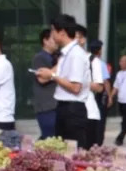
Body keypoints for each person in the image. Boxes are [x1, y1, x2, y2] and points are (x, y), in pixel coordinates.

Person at [36, 14, 90, 147]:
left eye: (53, 30)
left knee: (73, 151)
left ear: (62, 32)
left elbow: (75, 87)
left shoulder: (76, 54)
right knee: (62, 150)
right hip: (63, 107)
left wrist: (52, 76)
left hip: (73, 109)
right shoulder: (65, 53)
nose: (52, 34)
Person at [32, 29, 59, 139]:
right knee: (49, 138)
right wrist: (61, 63)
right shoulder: (40, 57)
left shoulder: (55, 57)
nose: (56, 41)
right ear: (45, 41)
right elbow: (42, 79)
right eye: (53, 39)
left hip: (56, 104)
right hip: (46, 106)